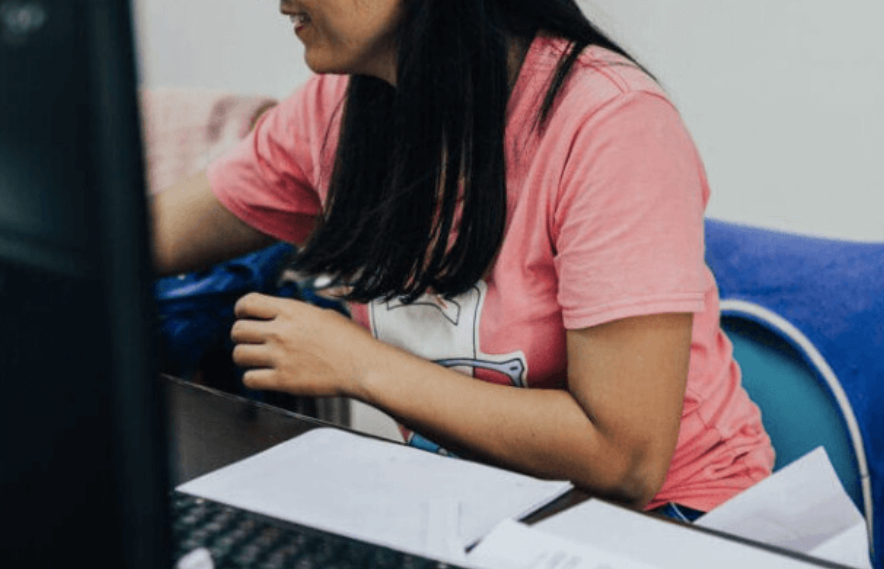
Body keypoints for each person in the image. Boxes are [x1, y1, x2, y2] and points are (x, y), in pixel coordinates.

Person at [151, 0, 775, 513]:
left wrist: (360, 366)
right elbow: (148, 234)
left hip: (677, 526)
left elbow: (627, 461)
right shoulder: (340, 107)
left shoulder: (612, 123)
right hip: (487, 510)